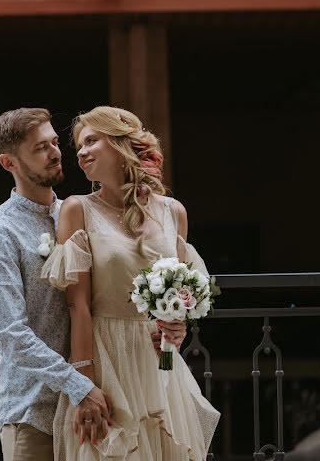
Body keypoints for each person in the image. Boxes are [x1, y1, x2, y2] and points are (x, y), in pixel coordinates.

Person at [41, 106, 220, 460]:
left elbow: (178, 292)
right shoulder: (77, 210)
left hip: (159, 366)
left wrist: (176, 324)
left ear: (121, 143)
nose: (80, 151)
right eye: (78, 145)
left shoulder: (173, 212)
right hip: (107, 360)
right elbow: (77, 306)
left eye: (91, 140)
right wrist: (85, 386)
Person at [0, 108, 122, 461]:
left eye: (54, 142)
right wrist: (79, 386)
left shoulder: (79, 213)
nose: (55, 152)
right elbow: (13, 335)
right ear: (8, 163)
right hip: (35, 414)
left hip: (100, 405)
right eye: (40, 148)